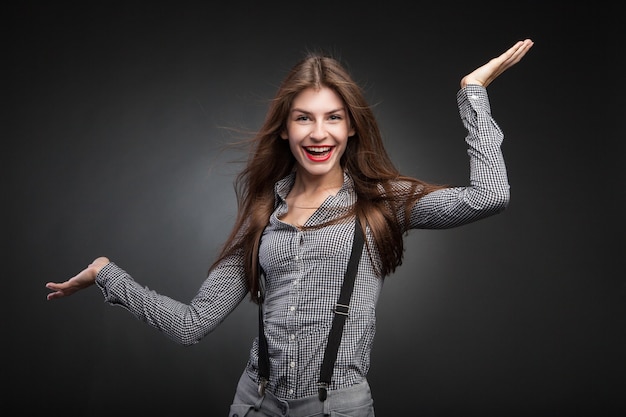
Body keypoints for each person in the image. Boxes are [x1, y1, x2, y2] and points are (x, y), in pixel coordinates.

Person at [46, 39, 534, 416]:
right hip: (253, 404)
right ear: (285, 128)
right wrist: (108, 273)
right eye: (304, 118)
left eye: (332, 119)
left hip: (336, 408)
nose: (318, 133)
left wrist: (473, 93)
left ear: (351, 128)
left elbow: (491, 195)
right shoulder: (263, 218)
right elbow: (190, 325)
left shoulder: (382, 202)